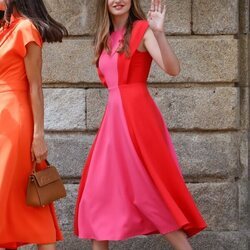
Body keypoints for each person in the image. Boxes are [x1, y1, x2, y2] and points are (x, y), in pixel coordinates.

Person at [74, 0, 207, 249]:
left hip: (137, 116)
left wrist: (159, 33)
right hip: (113, 123)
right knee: (96, 196)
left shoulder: (142, 30)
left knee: (150, 191)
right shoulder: (105, 38)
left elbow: (172, 69)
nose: (117, 0)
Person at [0, 0, 68, 249]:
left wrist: (39, 134)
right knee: (21, 194)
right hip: (2, 121)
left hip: (16, 122)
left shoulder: (25, 28)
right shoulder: (6, 29)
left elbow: (35, 86)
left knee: (10, 191)